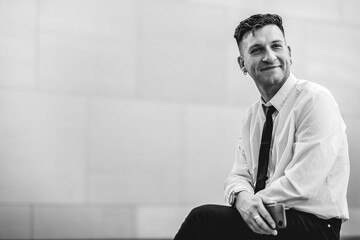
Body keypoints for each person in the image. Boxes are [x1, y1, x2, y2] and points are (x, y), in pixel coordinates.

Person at [173, 13, 349, 240]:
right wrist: (241, 198)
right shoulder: (252, 116)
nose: (269, 56)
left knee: (203, 220)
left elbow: (302, 183)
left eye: (276, 46)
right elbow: (238, 176)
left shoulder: (315, 100)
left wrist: (250, 204)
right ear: (242, 64)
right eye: (256, 50)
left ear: (289, 53)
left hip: (313, 227)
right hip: (267, 216)